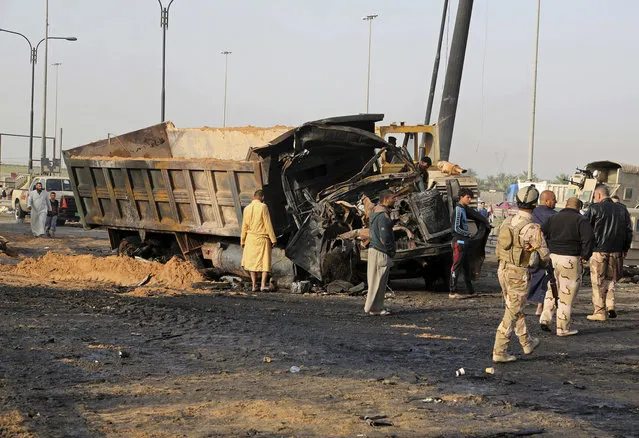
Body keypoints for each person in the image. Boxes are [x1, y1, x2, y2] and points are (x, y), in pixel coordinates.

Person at [492, 186, 549, 363]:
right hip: (519, 273)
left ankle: (526, 341)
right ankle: (499, 351)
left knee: (514, 307)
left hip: (503, 269)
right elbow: (545, 256)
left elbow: (498, 249)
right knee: (512, 312)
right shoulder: (532, 228)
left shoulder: (507, 222)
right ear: (535, 204)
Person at [539, 197, 594, 336]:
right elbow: (589, 239)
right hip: (570, 259)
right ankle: (563, 328)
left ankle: (545, 318)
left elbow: (541, 233)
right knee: (566, 294)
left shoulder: (553, 218)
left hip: (553, 258)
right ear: (579, 207)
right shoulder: (581, 220)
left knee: (552, 289)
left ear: (566, 205)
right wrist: (585, 256)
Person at [585, 184, 633, 320]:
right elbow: (628, 231)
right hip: (616, 250)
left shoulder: (595, 208)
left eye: (595, 196)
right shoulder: (622, 209)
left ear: (599, 195)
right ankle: (611, 304)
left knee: (597, 281)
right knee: (611, 279)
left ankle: (599, 311)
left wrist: (585, 250)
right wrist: (625, 248)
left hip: (598, 250)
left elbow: (587, 231)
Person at [364, 190, 396, 316]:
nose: (395, 200)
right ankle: (374, 308)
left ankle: (376, 307)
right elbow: (385, 238)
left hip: (374, 250)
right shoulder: (383, 216)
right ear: (386, 199)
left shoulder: (374, 213)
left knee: (376, 281)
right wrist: (391, 251)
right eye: (393, 198)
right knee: (378, 282)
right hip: (380, 252)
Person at [240, 190, 277, 292]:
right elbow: (267, 224)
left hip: (250, 239)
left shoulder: (246, 209)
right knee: (264, 262)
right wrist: (273, 239)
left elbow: (244, 226)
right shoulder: (263, 207)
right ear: (262, 197)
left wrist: (242, 240)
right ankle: (262, 285)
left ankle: (253, 286)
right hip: (262, 239)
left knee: (252, 263)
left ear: (254, 196)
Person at [528, 190, 557, 315]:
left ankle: (535, 303)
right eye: (553, 199)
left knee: (534, 276)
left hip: (532, 252)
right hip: (548, 251)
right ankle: (541, 305)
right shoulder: (554, 216)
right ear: (547, 201)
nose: (555, 201)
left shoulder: (531, 213)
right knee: (547, 278)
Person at [449, 188, 475, 298]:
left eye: (470, 198)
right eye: (467, 197)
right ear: (461, 197)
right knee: (456, 267)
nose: (469, 200)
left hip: (464, 243)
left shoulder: (464, 209)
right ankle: (452, 291)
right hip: (459, 242)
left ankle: (471, 291)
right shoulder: (458, 210)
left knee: (466, 267)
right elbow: (456, 228)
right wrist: (468, 234)